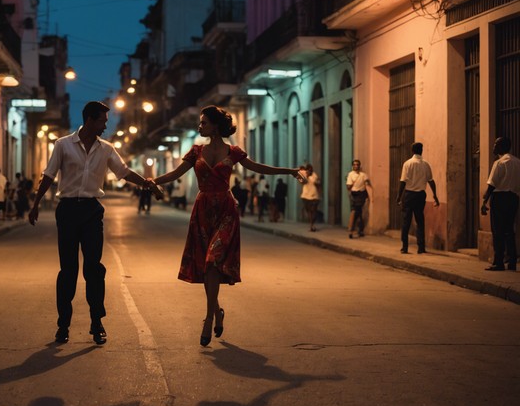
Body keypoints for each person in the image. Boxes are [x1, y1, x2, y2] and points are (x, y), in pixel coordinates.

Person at [150, 106, 303, 347]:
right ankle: (217, 310)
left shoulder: (233, 151)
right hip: (202, 211)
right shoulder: (196, 151)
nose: (199, 127)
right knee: (206, 266)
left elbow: (259, 167)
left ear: (215, 125)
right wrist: (149, 181)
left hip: (226, 211)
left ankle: (209, 318)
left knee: (212, 260)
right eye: (200, 123)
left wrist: (290, 171)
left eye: (203, 123)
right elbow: (175, 174)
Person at [28, 101, 162, 345]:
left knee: (94, 269)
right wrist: (35, 204)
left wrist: (147, 184)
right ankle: (63, 325)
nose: (105, 127)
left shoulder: (107, 149)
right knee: (68, 270)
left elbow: (123, 172)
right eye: (102, 121)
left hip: (92, 211)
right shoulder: (63, 145)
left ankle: (96, 322)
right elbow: (49, 175)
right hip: (67, 210)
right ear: (90, 120)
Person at [481, 136, 520, 271]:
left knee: (498, 231)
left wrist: (485, 200)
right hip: (513, 198)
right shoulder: (517, 162)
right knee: (509, 230)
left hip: (500, 198)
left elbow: (492, 184)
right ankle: (512, 260)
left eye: (496, 144)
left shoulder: (499, 163)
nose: (493, 147)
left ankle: (498, 261)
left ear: (502, 147)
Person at [396, 141, 439, 254]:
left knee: (406, 221)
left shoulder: (407, 164)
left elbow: (403, 181)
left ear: (412, 151)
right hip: (420, 195)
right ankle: (421, 247)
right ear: (422, 150)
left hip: (409, 195)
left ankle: (405, 247)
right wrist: (435, 195)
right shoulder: (426, 164)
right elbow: (431, 181)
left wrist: (399, 196)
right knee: (420, 220)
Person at [346, 159, 373, 238]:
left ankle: (355, 229)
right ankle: (355, 229)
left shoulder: (363, 175)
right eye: (354, 165)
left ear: (359, 166)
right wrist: (352, 183)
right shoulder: (350, 175)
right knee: (357, 212)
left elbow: (367, 184)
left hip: (362, 195)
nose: (356, 166)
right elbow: (348, 187)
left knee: (357, 212)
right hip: (354, 195)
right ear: (352, 166)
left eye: (357, 165)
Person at [300, 163, 321, 232]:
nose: (310, 170)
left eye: (310, 169)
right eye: (308, 169)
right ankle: (311, 224)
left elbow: (318, 183)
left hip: (314, 195)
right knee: (309, 211)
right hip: (305, 196)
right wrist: (307, 176)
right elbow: (303, 182)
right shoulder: (304, 175)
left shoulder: (314, 175)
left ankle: (312, 224)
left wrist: (316, 182)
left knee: (314, 211)